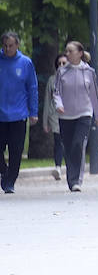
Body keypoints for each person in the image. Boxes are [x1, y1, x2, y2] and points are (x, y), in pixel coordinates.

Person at [53, 41, 98, 192]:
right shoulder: (62, 72)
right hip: (66, 116)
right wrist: (58, 105)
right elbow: (56, 92)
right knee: (68, 148)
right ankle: (71, 178)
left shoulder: (89, 72)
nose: (67, 54)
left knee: (78, 145)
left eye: (70, 51)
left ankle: (76, 180)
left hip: (84, 114)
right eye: (66, 51)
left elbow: (94, 95)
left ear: (80, 53)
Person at [0, 32, 39, 194]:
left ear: (17, 45)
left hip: (19, 114)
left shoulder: (25, 63)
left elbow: (32, 88)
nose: (7, 49)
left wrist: (33, 112)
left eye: (11, 45)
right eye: (5, 46)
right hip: (1, 114)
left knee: (16, 150)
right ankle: (4, 171)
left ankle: (10, 181)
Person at [42, 53, 68, 179]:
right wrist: (45, 121)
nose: (61, 66)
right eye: (59, 64)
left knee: (68, 142)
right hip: (55, 116)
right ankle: (58, 167)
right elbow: (47, 101)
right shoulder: (52, 80)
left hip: (70, 115)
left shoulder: (73, 79)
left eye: (64, 63)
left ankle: (70, 166)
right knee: (58, 141)